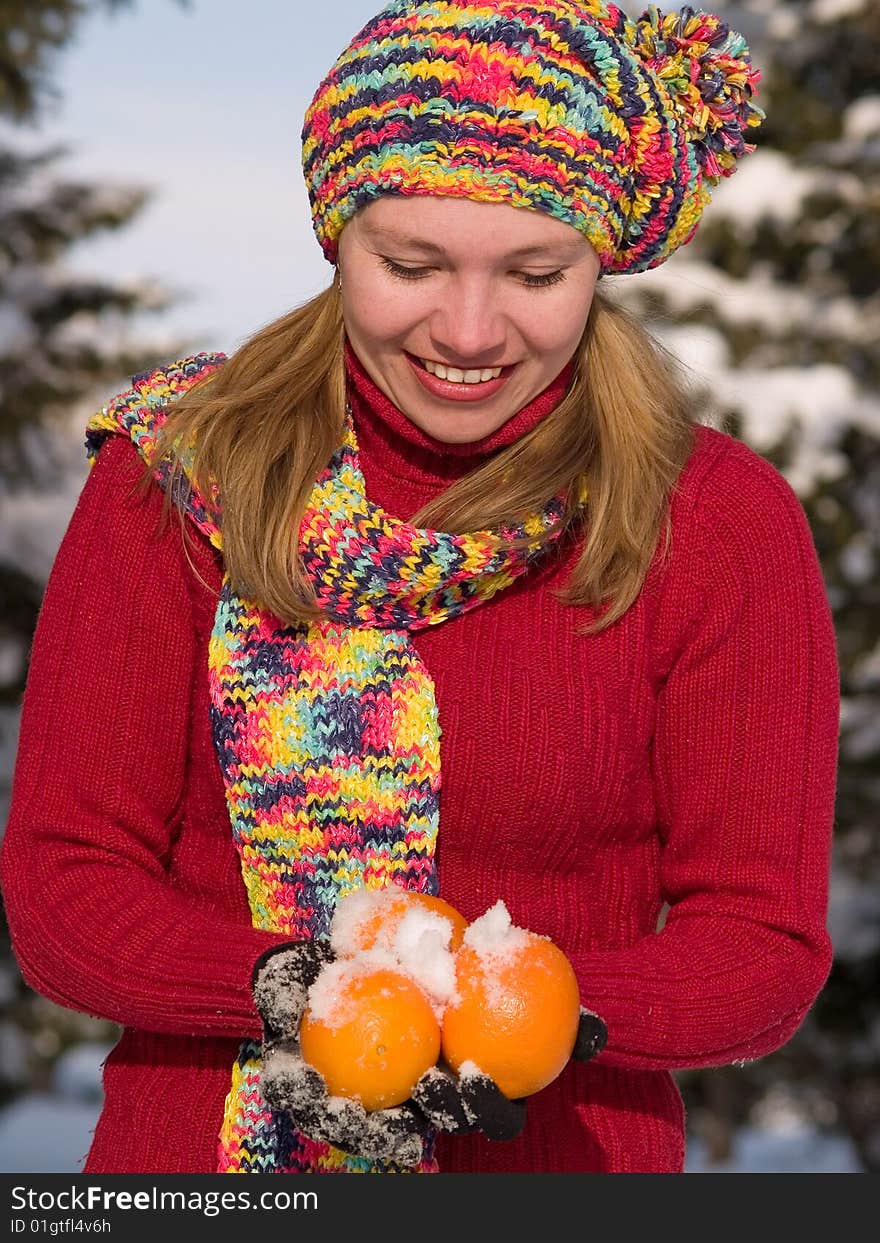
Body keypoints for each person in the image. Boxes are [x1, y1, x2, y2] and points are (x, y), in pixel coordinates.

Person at [0, 0, 840, 1176]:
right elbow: (64, 887)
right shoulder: (180, 480)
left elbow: (760, 943)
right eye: (411, 263)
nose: (470, 328)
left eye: (536, 272)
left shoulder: (711, 523)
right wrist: (293, 993)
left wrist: (534, 1017)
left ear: (600, 260)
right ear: (336, 236)